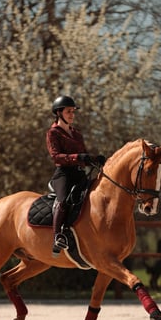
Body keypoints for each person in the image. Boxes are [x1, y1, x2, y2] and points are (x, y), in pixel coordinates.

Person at [46, 95, 105, 256]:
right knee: (64, 200)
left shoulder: (77, 134)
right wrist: (77, 157)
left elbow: (83, 156)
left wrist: (93, 159)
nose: (72, 114)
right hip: (63, 174)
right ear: (59, 113)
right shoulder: (53, 133)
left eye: (73, 111)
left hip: (79, 174)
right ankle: (58, 235)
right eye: (68, 111)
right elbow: (56, 157)